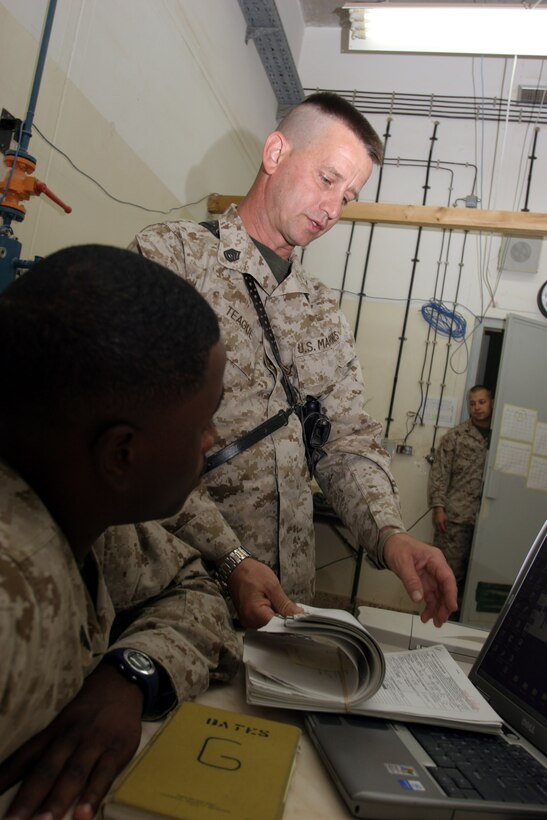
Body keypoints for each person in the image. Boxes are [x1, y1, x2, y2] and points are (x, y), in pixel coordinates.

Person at [131, 91, 458, 630]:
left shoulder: (321, 309)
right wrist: (231, 560)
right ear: (276, 153)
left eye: (348, 196)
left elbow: (347, 440)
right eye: (328, 180)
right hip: (180, 591)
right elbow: (137, 441)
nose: (332, 210)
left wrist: (390, 534)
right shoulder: (175, 258)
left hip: (287, 606)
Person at [0, 245, 241, 820]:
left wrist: (129, 674)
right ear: (121, 455)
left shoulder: (83, 516)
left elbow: (193, 582)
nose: (212, 439)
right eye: (203, 420)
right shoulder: (12, 608)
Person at [428, 384, 494, 606]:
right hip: (455, 519)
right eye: (472, 403)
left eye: (482, 402)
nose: (477, 408)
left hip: (487, 522)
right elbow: (439, 473)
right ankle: (436, 624)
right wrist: (438, 508)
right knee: (447, 576)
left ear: (492, 402)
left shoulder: (499, 438)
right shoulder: (455, 437)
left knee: (477, 579)